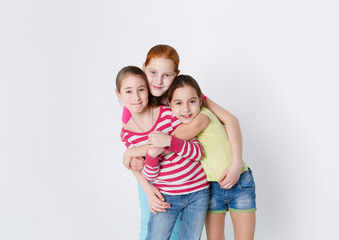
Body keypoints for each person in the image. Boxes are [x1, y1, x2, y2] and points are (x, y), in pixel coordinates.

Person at [121, 44, 246, 239]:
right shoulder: (136, 100)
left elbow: (228, 121)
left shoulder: (184, 96)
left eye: (167, 75)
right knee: (148, 226)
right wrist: (146, 185)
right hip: (151, 176)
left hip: (187, 178)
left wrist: (237, 162)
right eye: (153, 72)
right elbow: (134, 148)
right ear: (143, 68)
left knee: (180, 231)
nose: (158, 81)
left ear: (176, 74)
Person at [155, 74, 256, 240]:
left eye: (192, 101)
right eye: (178, 103)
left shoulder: (203, 117)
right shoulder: (180, 122)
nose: (186, 109)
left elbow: (166, 144)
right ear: (169, 104)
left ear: (200, 100)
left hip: (240, 182)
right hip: (211, 187)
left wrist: (132, 153)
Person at [116, 66, 209, 240]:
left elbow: (197, 150)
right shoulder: (127, 133)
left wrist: (168, 142)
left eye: (141, 90)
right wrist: (152, 155)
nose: (136, 97)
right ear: (118, 94)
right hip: (166, 192)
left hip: (197, 191)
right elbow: (149, 172)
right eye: (128, 91)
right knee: (153, 233)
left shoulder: (169, 113)